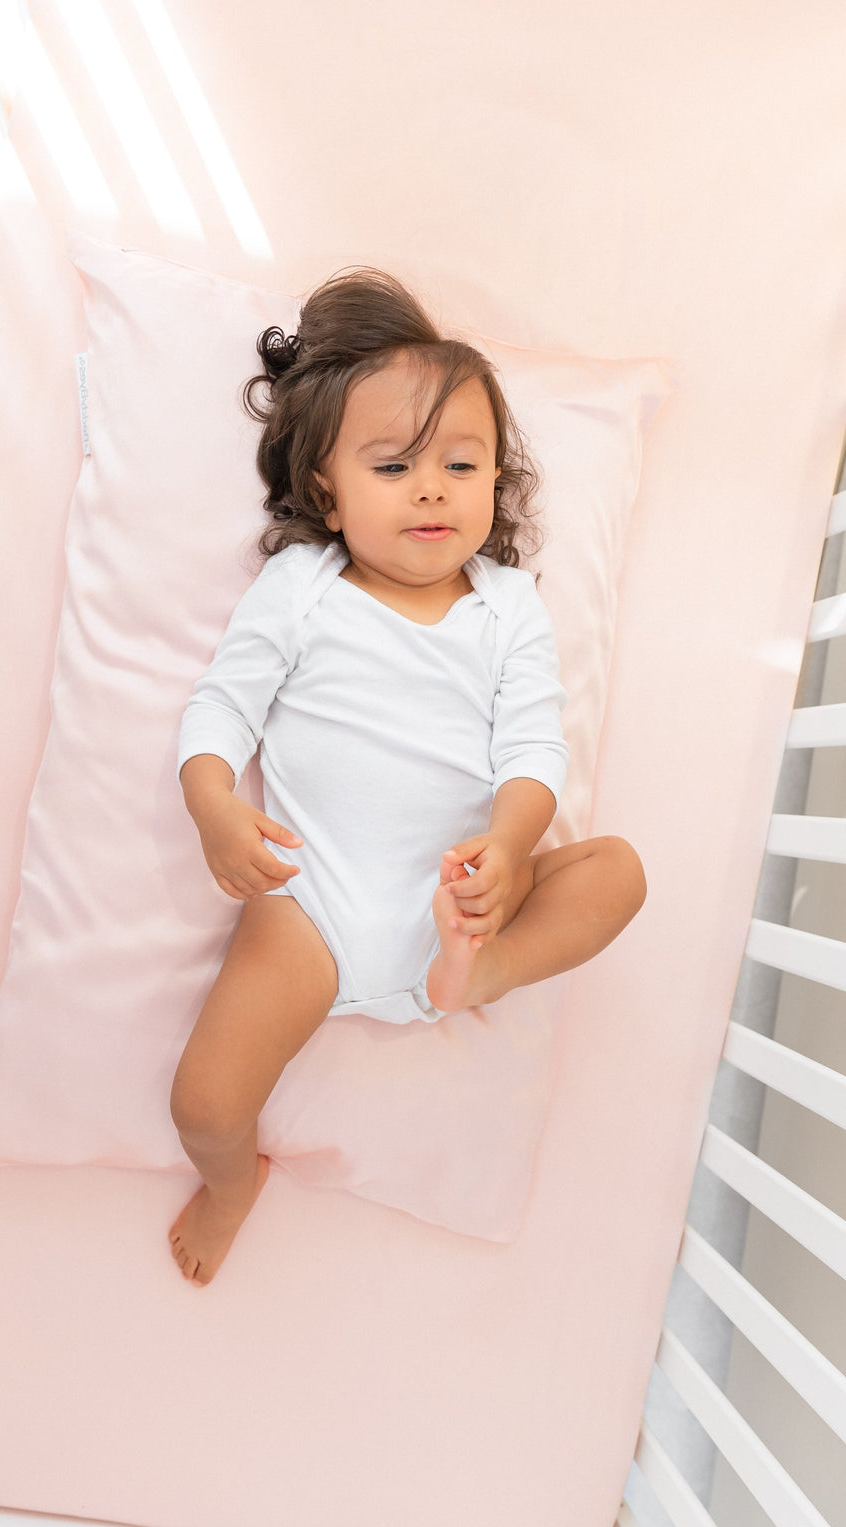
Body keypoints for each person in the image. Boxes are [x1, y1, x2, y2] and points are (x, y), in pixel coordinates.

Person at [169, 268, 646, 1286]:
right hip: (314, 907)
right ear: (327, 490)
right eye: (392, 466)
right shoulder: (302, 587)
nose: (432, 488)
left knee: (616, 872)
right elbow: (221, 707)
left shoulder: (507, 607)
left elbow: (531, 751)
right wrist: (212, 804)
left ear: (492, 483)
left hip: (456, 910)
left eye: (460, 464)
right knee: (203, 1106)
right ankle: (227, 1184)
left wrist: (511, 854)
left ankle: (487, 975)